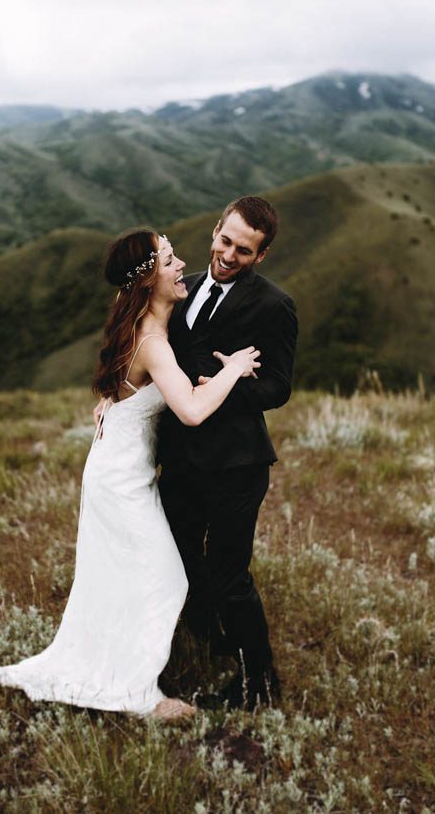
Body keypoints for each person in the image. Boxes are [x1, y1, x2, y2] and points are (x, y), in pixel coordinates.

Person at [0, 229, 261, 720]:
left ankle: (122, 666)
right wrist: (235, 368)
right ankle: (137, 694)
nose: (182, 264)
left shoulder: (138, 318)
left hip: (118, 468)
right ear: (149, 280)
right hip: (119, 480)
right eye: (170, 260)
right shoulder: (153, 341)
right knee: (163, 579)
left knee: (127, 576)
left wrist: (109, 402)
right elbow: (193, 411)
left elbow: (122, 379)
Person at [157, 195, 298, 711]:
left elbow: (279, 387)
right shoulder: (183, 287)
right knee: (183, 559)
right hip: (179, 459)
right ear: (214, 230)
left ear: (261, 256)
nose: (228, 255)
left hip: (236, 464)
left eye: (244, 250)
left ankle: (260, 684)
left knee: (230, 575)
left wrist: (226, 381)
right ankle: (213, 646)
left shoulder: (274, 305)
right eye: (225, 240)